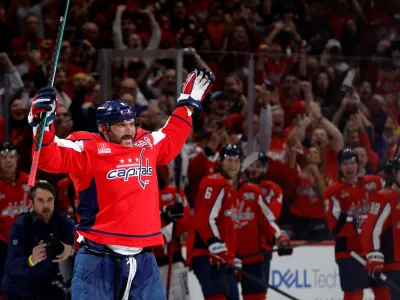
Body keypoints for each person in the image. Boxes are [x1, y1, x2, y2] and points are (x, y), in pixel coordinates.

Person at [27, 68, 213, 300]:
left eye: (131, 123)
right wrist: (40, 123)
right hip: (97, 259)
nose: (129, 131)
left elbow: (171, 136)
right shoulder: (86, 147)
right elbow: (48, 156)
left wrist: (187, 106)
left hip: (143, 260)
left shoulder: (146, 142)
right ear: (104, 129)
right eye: (121, 125)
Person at [324, 147, 390, 300]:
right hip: (349, 251)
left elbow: (393, 186)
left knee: (384, 292)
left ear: (358, 165)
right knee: (354, 294)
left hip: (375, 250)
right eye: (345, 163)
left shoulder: (374, 183)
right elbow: (334, 226)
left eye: (352, 163)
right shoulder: (333, 191)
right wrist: (354, 218)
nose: (349, 167)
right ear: (339, 166)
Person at [186, 144, 243, 300]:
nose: (233, 164)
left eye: (236, 160)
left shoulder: (233, 191)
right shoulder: (215, 182)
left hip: (222, 257)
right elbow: (204, 218)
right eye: (228, 159)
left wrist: (232, 255)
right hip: (207, 253)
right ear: (220, 162)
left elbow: (228, 229)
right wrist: (213, 242)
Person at [2, 181, 75, 300]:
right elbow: (11, 267)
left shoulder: (61, 220)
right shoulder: (21, 225)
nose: (46, 205)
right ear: (32, 203)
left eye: (49, 200)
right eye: (41, 200)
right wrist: (31, 260)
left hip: (49, 282)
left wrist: (70, 250)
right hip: (20, 286)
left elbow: (85, 247)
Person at [238, 152, 292, 300]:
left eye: (258, 166)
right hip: (234, 252)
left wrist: (280, 237)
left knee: (257, 295)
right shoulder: (235, 187)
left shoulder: (273, 189)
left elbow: (270, 217)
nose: (254, 169)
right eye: (251, 165)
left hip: (260, 251)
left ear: (265, 168)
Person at [361, 157, 400, 300]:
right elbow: (371, 229)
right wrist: (374, 254)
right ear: (394, 172)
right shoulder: (385, 197)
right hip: (394, 266)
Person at [153, 166, 191, 300]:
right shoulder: (138, 197)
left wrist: (170, 231)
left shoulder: (175, 193)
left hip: (174, 260)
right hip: (150, 266)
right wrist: (164, 231)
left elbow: (185, 222)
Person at [0, 142, 30, 289]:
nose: (8, 160)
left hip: (27, 244)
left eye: (12, 156)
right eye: (4, 156)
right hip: (3, 247)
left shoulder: (29, 182)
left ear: (18, 158)